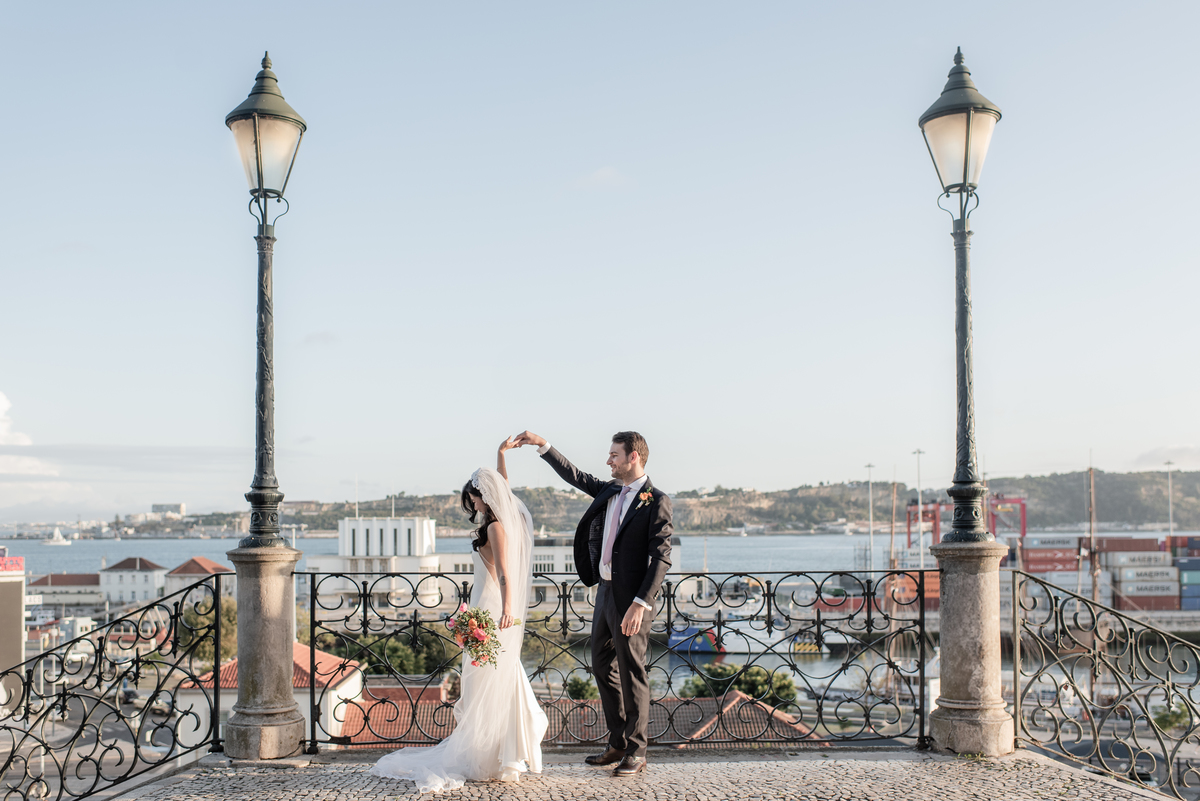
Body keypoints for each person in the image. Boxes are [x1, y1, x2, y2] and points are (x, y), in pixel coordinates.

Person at [370, 438, 548, 793]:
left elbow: (504, 575)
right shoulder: (503, 520)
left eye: (476, 498)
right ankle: (500, 755)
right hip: (488, 607)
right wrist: (500, 455)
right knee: (492, 679)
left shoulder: (497, 527)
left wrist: (510, 608)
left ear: (486, 497)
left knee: (488, 680)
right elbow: (503, 487)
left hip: (491, 607)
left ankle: (492, 755)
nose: (475, 504)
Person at [513, 430, 672, 778]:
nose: (608, 460)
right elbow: (575, 475)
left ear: (634, 457)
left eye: (614, 455)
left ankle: (637, 750)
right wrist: (543, 446)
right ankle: (617, 742)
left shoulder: (655, 500)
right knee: (601, 666)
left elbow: (661, 558)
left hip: (632, 601)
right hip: (604, 592)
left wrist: (640, 604)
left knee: (633, 673)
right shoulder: (610, 490)